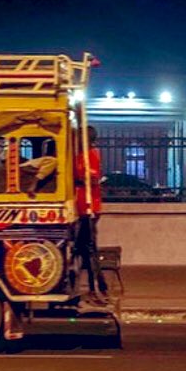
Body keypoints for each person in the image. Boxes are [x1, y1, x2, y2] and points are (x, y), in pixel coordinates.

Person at [74, 125, 107, 298]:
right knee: (84, 248)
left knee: (87, 247)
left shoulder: (91, 155)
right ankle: (97, 285)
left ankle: (98, 284)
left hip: (89, 207)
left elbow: (92, 177)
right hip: (81, 207)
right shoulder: (80, 155)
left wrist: (78, 178)